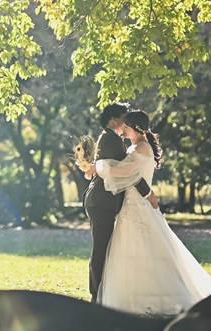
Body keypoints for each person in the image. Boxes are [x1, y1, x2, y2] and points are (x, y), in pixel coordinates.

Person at [91, 110, 211, 315]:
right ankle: (136, 296)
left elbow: (125, 172)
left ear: (134, 127)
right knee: (132, 251)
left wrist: (98, 166)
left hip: (137, 207)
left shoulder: (141, 147)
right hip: (131, 206)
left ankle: (159, 295)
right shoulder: (136, 146)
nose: (123, 129)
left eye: (126, 126)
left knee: (148, 250)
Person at [82, 102, 159, 303]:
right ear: (115, 119)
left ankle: (100, 293)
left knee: (105, 248)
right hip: (102, 202)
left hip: (104, 201)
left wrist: (93, 168)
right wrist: (148, 194)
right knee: (100, 248)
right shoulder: (111, 139)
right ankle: (96, 295)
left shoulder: (113, 138)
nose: (126, 123)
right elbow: (127, 173)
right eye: (125, 118)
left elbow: (126, 170)